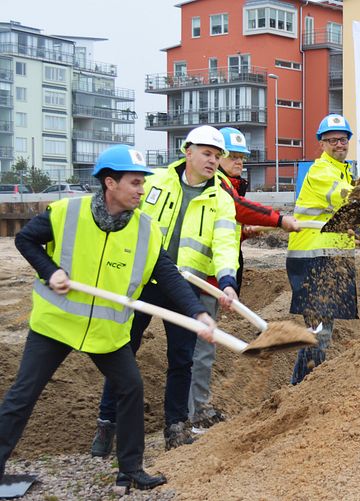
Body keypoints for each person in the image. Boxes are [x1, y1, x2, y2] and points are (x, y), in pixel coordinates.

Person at [0, 145, 216, 491]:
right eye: (134, 183)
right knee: (23, 394)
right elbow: (25, 240)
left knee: (130, 387)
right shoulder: (67, 212)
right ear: (110, 184)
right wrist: (49, 270)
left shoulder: (146, 229)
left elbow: (169, 275)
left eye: (142, 183)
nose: (141, 190)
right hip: (56, 324)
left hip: (105, 330)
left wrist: (198, 312)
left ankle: (130, 469)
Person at [92, 126, 239, 454]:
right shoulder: (156, 181)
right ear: (188, 152)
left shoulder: (221, 200)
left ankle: (175, 426)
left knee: (182, 358)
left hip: (185, 288)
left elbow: (226, 243)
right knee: (122, 349)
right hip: (142, 281)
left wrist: (227, 282)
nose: (213, 161)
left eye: (217, 156)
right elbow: (127, 220)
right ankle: (106, 423)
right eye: (206, 153)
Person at [188, 127, 299, 431]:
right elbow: (237, 210)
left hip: (210, 275)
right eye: (232, 156)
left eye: (242, 157)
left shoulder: (229, 185)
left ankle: (190, 410)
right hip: (203, 277)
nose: (239, 162)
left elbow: (225, 224)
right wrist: (279, 219)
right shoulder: (220, 185)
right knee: (201, 348)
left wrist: (243, 232)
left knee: (197, 348)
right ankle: (194, 413)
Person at [286, 114, 357, 385]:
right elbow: (347, 198)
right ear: (322, 144)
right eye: (332, 140)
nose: (339, 144)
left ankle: (304, 387)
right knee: (318, 332)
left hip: (330, 260)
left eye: (343, 139)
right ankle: (302, 388)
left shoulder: (344, 171)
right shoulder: (321, 172)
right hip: (312, 261)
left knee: (321, 332)